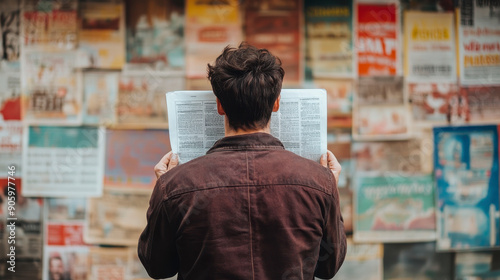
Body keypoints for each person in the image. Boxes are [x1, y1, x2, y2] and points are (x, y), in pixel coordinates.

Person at [138, 43, 346, 280]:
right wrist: (329, 190)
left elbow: (158, 267)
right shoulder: (319, 182)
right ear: (276, 103)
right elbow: (328, 268)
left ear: (219, 106)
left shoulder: (175, 185)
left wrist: (164, 192)